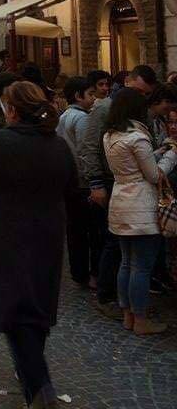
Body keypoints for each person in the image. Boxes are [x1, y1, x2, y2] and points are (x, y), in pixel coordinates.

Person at [0, 81, 78, 409]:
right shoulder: (57, 145)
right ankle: (30, 372)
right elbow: (72, 187)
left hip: (7, 231)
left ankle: (37, 382)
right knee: (38, 300)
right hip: (48, 232)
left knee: (12, 307)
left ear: (12, 110)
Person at [82, 64, 157, 318]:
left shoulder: (129, 121)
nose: (143, 99)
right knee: (117, 247)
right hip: (117, 183)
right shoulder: (106, 109)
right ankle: (108, 295)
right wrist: (95, 184)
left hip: (122, 183)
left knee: (122, 250)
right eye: (139, 92)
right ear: (128, 82)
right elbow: (89, 146)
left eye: (146, 94)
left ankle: (124, 305)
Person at [103, 88, 177, 335]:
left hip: (120, 201)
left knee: (126, 263)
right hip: (141, 205)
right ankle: (141, 319)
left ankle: (127, 315)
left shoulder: (110, 135)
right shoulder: (137, 137)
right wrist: (173, 154)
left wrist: (159, 152)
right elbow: (154, 174)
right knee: (141, 266)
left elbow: (135, 163)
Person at [57, 77, 99, 288]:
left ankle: (78, 271)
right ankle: (87, 273)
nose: (94, 98)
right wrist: (93, 180)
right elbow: (85, 151)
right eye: (91, 94)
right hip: (81, 182)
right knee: (86, 231)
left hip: (67, 180)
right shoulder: (82, 119)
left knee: (74, 231)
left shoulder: (64, 115)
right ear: (78, 95)